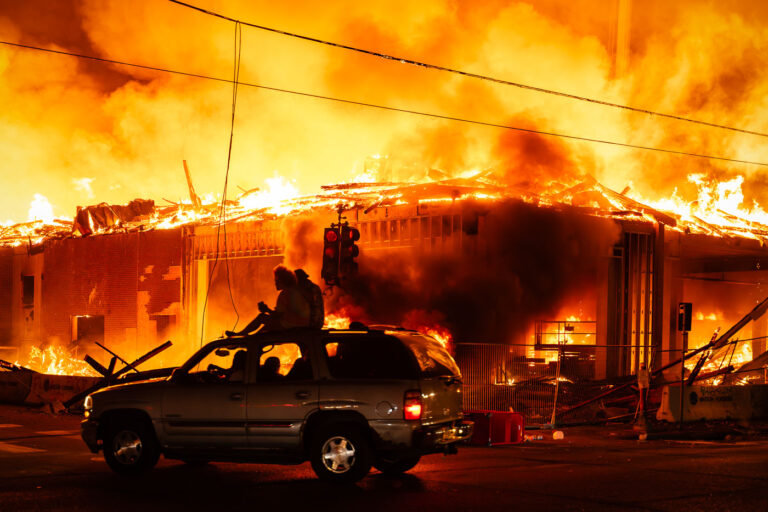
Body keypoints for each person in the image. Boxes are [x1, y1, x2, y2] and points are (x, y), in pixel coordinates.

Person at [226, 265, 310, 336]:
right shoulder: (294, 291)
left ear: (283, 280)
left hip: (290, 325)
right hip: (299, 324)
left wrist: (266, 310)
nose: (275, 283)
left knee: (261, 317)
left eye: (276, 281)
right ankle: (250, 339)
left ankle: (241, 335)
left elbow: (278, 315)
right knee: (265, 328)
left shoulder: (285, 294)